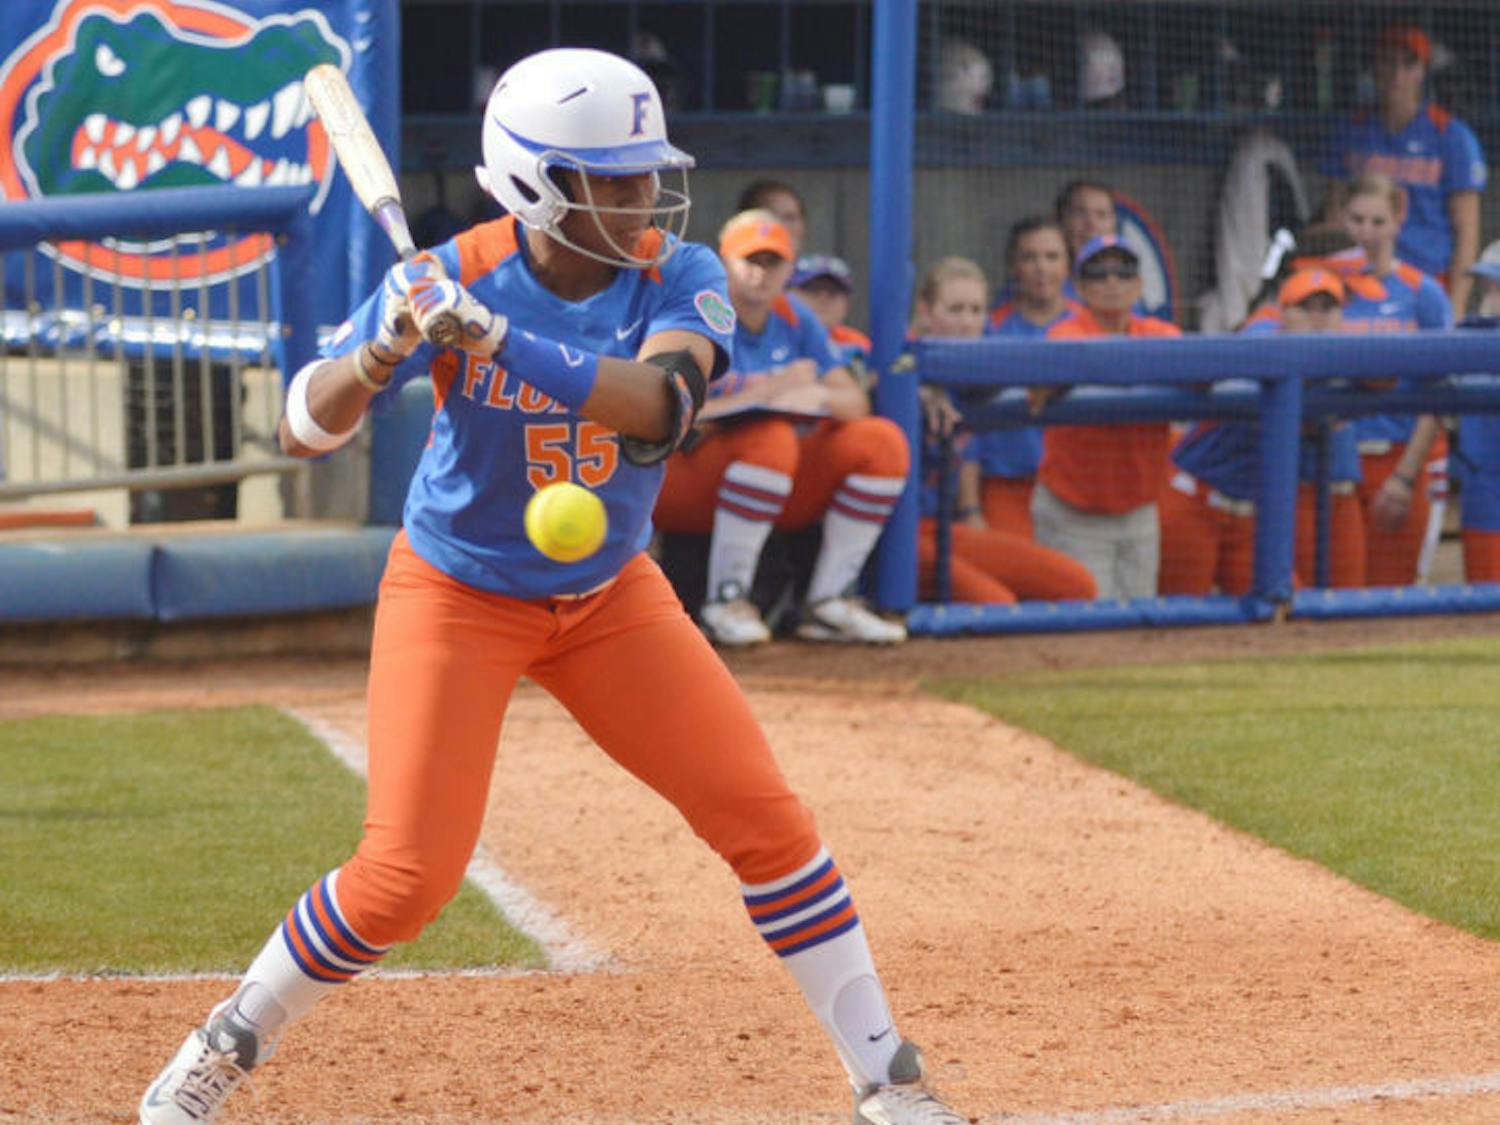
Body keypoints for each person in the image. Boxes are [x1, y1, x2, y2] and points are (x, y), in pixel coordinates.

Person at [137, 49, 963, 1125]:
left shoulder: (683, 272)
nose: (641, 200)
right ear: (537, 183)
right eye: (611, 180)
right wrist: (385, 342)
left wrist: (496, 338)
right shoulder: (451, 271)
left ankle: (884, 1076)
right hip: (457, 591)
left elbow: (665, 409)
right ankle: (225, 1043)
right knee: (407, 877)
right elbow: (304, 425)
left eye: (642, 175)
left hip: (608, 597)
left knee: (769, 824)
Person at [653, 210, 909, 646]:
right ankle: (725, 601)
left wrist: (815, 397)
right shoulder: (697, 307)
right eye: (749, 260)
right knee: (768, 436)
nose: (760, 273)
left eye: (773, 262)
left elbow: (855, 401)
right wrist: (766, 392)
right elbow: (660, 408)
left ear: (789, 268)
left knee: (882, 441)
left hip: (765, 478)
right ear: (723, 262)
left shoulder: (795, 317)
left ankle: (829, 601)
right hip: (676, 478)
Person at [1161, 267, 1365, 594]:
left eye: (1327, 308)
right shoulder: (1263, 333)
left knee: (1283, 613)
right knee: (1182, 625)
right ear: (1284, 313)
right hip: (1194, 497)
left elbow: (1386, 379)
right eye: (1305, 308)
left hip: (1249, 518)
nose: (1317, 319)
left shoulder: (1346, 353)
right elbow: (1256, 342)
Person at [911, 257, 1097, 604]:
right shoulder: (903, 357)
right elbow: (875, 371)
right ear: (926, 312)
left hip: (946, 530)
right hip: (897, 536)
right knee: (996, 604)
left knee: (1077, 585)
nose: (967, 322)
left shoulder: (985, 355)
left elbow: (1036, 364)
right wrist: (920, 387)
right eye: (955, 310)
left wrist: (1047, 381)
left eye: (976, 310)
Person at [1032, 235, 1182, 599]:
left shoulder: (1158, 332)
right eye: (1099, 274)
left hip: (1139, 513)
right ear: (1080, 287)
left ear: (1139, 284)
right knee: (1088, 631)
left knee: (1136, 629)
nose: (1112, 282)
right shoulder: (1066, 330)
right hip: (1074, 513)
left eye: (1123, 272)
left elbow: (1195, 361)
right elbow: (1060, 359)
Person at [1331, 172, 1453, 586]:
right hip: (1336, 454)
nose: (1367, 232)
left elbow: (1439, 392)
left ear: (1399, 219)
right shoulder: (1326, 284)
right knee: (1334, 587)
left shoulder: (1423, 292)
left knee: (1393, 591)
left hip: (1400, 455)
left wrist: (1404, 475)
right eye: (1357, 219)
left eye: (1378, 221)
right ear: (1343, 220)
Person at [1321, 24, 1487, 313]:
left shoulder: (1451, 136)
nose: (1397, 74)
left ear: (1422, 71)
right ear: (1374, 67)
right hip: (1361, 278)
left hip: (1427, 279)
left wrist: (1456, 306)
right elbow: (1335, 216)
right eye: (1388, 61)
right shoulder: (1353, 131)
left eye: (1408, 63)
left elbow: (1468, 233)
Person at [980, 217, 1081, 538]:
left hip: (1078, 490)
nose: (1041, 268)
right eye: (1029, 257)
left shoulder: (1090, 325)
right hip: (1007, 487)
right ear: (1013, 266)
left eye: (1052, 257)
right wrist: (969, 507)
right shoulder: (991, 327)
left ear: (1068, 265)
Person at [1455, 240, 1500, 582]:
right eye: (1487, 285)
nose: (1490, 296)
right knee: (1485, 602)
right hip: (1484, 488)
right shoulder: (1466, 339)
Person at [789, 253, 872, 364]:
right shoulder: (773, 336)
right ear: (787, 295)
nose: (823, 299)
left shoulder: (857, 345)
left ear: (847, 304)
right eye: (812, 289)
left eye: (833, 292)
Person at [737, 178, 807, 253]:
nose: (782, 226)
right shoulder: (729, 263)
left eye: (790, 218)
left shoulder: (817, 264)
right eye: (771, 218)